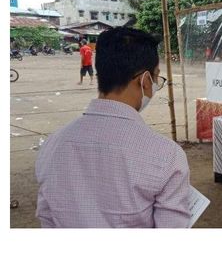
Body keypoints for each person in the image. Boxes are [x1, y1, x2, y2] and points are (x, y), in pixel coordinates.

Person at [35, 27, 191, 228]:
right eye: (156, 78)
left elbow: (47, 220)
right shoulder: (167, 155)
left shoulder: (53, 145)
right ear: (144, 81)